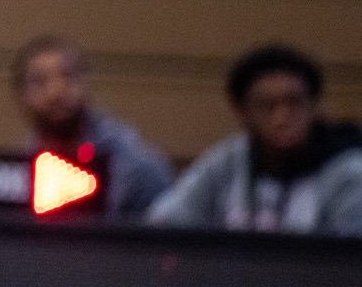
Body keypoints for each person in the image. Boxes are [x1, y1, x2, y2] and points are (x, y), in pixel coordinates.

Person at [149, 45, 362, 236]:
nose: (281, 118)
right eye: (267, 106)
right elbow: (162, 224)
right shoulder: (228, 161)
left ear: (315, 107)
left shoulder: (348, 173)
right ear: (243, 114)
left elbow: (349, 263)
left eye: (294, 103)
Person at [12, 35, 173, 219]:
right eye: (39, 82)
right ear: (21, 95)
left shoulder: (136, 168)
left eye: (68, 76)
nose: (55, 92)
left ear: (86, 83)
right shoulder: (19, 169)